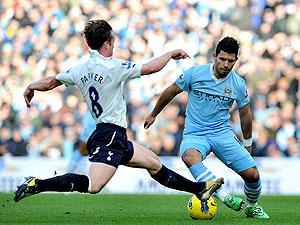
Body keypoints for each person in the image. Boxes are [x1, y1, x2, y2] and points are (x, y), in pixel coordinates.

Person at [14, 19, 224, 203]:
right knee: (93, 185)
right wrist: (170, 53)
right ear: (108, 43)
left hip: (114, 135)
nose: (114, 43)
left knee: (153, 163)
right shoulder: (115, 67)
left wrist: (31, 85)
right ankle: (37, 184)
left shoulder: (79, 69)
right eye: (113, 40)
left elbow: (51, 82)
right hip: (109, 135)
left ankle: (200, 189)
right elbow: (150, 68)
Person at [144, 37, 269, 219]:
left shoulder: (238, 84)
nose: (226, 64)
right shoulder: (194, 74)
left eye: (231, 61)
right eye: (222, 59)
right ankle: (224, 197)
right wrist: (154, 113)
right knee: (188, 156)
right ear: (214, 56)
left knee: (252, 175)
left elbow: (245, 115)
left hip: (222, 133)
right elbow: (170, 91)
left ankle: (251, 206)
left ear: (236, 60)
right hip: (195, 133)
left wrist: (248, 143)